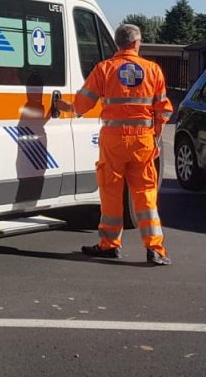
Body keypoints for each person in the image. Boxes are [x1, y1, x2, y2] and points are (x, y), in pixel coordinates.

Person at [56, 23, 173, 266]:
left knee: (110, 191)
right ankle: (155, 250)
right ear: (136, 43)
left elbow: (82, 104)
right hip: (142, 139)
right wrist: (156, 137)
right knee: (145, 194)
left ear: (119, 43)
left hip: (113, 139)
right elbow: (163, 111)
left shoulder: (104, 68)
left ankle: (109, 245)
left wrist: (65, 107)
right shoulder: (153, 70)